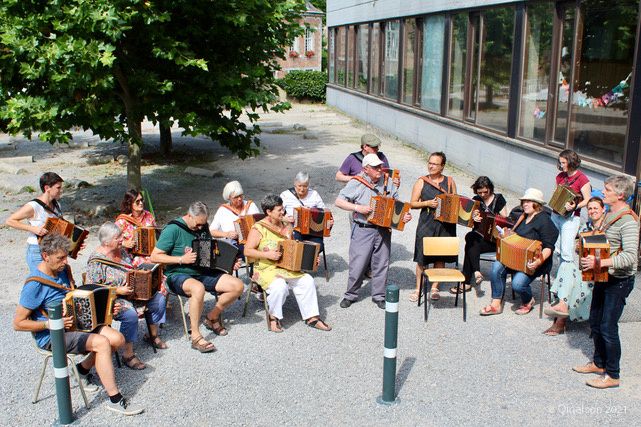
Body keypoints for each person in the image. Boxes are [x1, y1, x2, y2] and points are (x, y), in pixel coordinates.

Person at [13, 234, 144, 415]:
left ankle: (81, 370)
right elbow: (18, 323)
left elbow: (77, 297)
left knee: (117, 339)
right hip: (52, 335)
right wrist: (49, 324)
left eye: (66, 256)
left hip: (76, 324)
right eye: (60, 258)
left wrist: (108, 307)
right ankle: (115, 399)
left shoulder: (63, 270)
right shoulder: (34, 284)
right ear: (45, 256)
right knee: (102, 343)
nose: (65, 262)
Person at [150, 201, 244, 353]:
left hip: (202, 271)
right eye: (198, 224)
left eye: (203, 224)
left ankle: (211, 317)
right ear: (189, 215)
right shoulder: (173, 229)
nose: (201, 228)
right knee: (198, 288)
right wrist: (181, 259)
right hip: (177, 274)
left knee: (237, 286)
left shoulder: (203, 226)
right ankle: (195, 336)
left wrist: (230, 262)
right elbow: (154, 256)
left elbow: (210, 252)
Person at [573, 176, 639, 389]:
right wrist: (585, 245)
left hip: (619, 280)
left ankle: (613, 375)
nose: (603, 192)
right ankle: (599, 363)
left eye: (607, 190)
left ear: (620, 195)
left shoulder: (628, 221)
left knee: (608, 327)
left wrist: (599, 261)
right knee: (595, 320)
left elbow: (630, 257)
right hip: (604, 275)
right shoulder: (610, 214)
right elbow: (604, 241)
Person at [86, 222, 167, 370]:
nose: (122, 239)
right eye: (118, 237)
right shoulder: (96, 262)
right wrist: (118, 290)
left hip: (133, 292)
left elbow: (132, 269)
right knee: (130, 315)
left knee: (159, 299)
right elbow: (93, 290)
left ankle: (152, 335)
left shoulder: (121, 251)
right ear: (106, 242)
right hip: (113, 299)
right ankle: (128, 354)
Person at [244, 194, 331, 332]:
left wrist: (311, 259)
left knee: (307, 280)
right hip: (265, 268)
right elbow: (247, 251)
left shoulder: (287, 225)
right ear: (268, 212)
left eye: (283, 208)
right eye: (279, 210)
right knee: (279, 286)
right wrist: (267, 254)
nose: (283, 212)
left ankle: (312, 317)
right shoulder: (258, 228)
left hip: (286, 266)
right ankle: (273, 317)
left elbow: (292, 248)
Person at [335, 153, 412, 309]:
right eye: (376, 167)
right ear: (366, 169)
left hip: (383, 230)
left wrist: (403, 216)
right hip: (363, 228)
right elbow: (338, 201)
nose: (380, 169)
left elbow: (396, 204)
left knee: (382, 263)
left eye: (380, 166)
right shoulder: (357, 182)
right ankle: (350, 295)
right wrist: (358, 208)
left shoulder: (388, 181)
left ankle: (379, 296)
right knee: (358, 263)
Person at [480, 188, 558, 316]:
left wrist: (538, 262)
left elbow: (548, 247)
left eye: (528, 201)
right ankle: (496, 304)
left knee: (517, 284)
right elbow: (514, 234)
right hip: (516, 257)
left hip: (535, 261)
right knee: (496, 267)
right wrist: (506, 234)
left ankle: (528, 301)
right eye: (524, 201)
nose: (525, 204)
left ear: (537, 204)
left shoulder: (545, 220)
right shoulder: (522, 216)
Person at [543, 197, 606, 336]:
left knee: (571, 278)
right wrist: (579, 247)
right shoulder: (585, 227)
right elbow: (579, 249)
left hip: (601, 271)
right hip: (586, 268)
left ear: (603, 209)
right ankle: (563, 306)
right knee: (566, 266)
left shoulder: (608, 228)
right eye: (590, 208)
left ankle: (560, 320)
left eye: (595, 208)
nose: (592, 211)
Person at [408, 152, 457, 302]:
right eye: (430, 163)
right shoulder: (421, 181)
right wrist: (427, 203)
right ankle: (418, 289)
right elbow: (412, 203)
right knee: (422, 257)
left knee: (440, 256)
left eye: (435, 164)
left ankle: (435, 287)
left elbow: (455, 202)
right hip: (427, 223)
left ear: (442, 166)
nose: (431, 166)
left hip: (445, 224)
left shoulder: (450, 182)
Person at [453, 176, 508, 295]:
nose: (483, 195)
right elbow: (468, 221)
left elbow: (505, 220)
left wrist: (495, 218)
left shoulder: (499, 199)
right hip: (479, 238)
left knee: (470, 244)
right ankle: (476, 273)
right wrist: (473, 217)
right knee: (471, 238)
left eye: (485, 192)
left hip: (493, 240)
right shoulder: (476, 200)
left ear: (490, 189)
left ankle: (467, 281)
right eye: (480, 192)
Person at [5, 172, 65, 271]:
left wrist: (73, 246)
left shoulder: (57, 205)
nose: (61, 191)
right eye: (58, 188)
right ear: (47, 188)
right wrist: (33, 229)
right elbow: (10, 221)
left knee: (60, 279)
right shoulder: (34, 206)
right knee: (42, 279)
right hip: (37, 250)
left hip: (54, 250)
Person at [551, 150, 591, 282]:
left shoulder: (582, 179)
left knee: (566, 251)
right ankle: (560, 276)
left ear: (571, 162)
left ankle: (567, 279)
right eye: (560, 162)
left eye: (563, 162)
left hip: (570, 219)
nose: (561, 165)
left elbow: (587, 200)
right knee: (556, 248)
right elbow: (557, 192)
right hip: (556, 214)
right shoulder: (560, 176)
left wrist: (575, 206)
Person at [280, 171, 334, 251]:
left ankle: (308, 258)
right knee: (296, 246)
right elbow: (276, 214)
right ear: (295, 183)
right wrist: (285, 219)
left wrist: (328, 221)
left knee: (318, 247)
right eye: (299, 186)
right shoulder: (285, 195)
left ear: (308, 185)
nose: (302, 189)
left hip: (313, 231)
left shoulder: (314, 194)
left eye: (305, 186)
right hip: (293, 229)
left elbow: (325, 212)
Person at [209, 180, 260, 249]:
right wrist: (226, 234)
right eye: (236, 197)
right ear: (229, 198)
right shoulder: (223, 210)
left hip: (253, 242)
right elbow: (211, 231)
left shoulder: (251, 205)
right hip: (232, 245)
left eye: (241, 195)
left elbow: (261, 224)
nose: (239, 199)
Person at [115, 189, 158, 263]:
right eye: (137, 201)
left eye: (141, 200)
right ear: (130, 203)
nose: (141, 203)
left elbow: (156, 233)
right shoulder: (122, 221)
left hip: (150, 253)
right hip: (130, 257)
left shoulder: (149, 215)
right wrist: (123, 243)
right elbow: (110, 240)